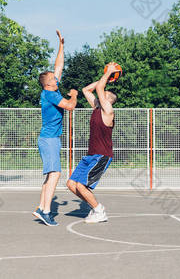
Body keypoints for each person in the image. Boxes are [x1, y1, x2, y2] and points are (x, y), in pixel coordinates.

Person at [33, 30, 78, 226]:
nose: (56, 77)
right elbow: (69, 106)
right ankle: (46, 210)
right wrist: (74, 94)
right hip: (49, 139)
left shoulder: (52, 88)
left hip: (48, 138)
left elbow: (58, 66)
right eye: (53, 78)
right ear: (48, 83)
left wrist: (61, 45)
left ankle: (41, 207)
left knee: (51, 174)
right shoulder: (50, 95)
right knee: (56, 174)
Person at [66, 62, 119, 223]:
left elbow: (98, 89)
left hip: (101, 155)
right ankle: (94, 207)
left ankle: (99, 210)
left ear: (109, 101)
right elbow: (86, 90)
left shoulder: (108, 111)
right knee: (71, 184)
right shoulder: (97, 107)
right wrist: (106, 78)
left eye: (105, 95)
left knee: (81, 186)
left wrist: (107, 74)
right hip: (91, 155)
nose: (102, 95)